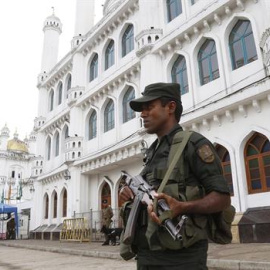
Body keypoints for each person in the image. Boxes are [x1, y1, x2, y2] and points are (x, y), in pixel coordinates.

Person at [119, 82, 231, 270]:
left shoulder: (193, 144)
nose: (142, 114)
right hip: (147, 253)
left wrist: (182, 207)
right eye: (142, 109)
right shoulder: (153, 151)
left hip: (182, 257)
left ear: (170, 107)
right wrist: (127, 192)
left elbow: (222, 198)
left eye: (149, 107)